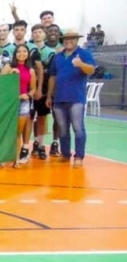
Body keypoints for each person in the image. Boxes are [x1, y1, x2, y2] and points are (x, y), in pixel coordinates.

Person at [47, 30, 96, 168]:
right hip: (59, 98)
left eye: (72, 38)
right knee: (62, 129)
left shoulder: (84, 54)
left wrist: (81, 64)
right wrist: (50, 95)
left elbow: (91, 70)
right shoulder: (58, 57)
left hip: (76, 98)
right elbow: (52, 77)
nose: (69, 41)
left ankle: (79, 156)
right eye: (66, 39)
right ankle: (65, 154)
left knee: (78, 128)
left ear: (76, 40)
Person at [31, 24, 55, 160]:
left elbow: (51, 72)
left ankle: (41, 145)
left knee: (41, 118)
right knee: (28, 118)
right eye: (35, 32)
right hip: (28, 87)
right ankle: (31, 144)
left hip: (43, 87)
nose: (37, 34)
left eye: (40, 32)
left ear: (44, 34)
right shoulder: (27, 49)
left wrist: (42, 90)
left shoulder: (51, 52)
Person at [10, 44, 37, 166]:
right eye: (19, 51)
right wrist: (11, 74)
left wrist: (28, 95)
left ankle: (16, 158)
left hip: (23, 103)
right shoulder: (9, 67)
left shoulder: (30, 70)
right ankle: (1, 157)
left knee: (18, 131)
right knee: (6, 130)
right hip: (9, 103)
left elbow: (33, 89)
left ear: (28, 53)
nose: (21, 53)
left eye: (24, 51)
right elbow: (1, 83)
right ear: (15, 54)